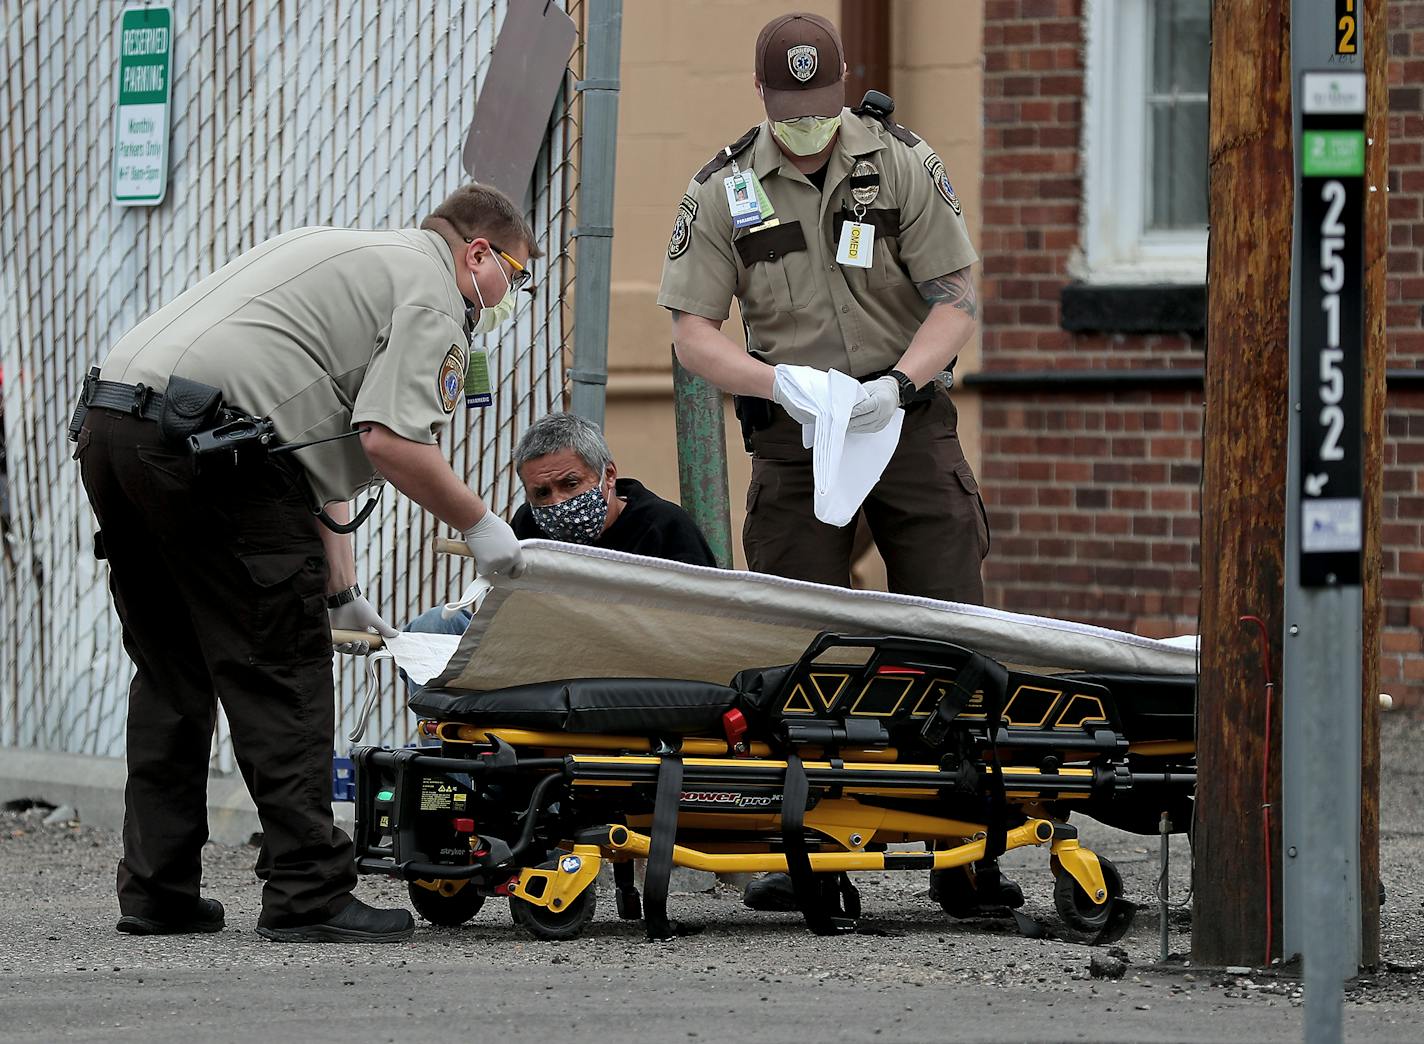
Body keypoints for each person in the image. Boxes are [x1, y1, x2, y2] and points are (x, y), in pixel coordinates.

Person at [72, 183, 537, 943]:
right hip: (210, 453)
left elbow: (305, 449)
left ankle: (156, 887)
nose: (509, 297)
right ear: (478, 253)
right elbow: (391, 441)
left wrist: (340, 588)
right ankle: (308, 891)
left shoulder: (348, 251)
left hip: (116, 430)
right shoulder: (433, 296)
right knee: (281, 670)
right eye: (514, 277)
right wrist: (484, 527)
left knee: (172, 672)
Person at [656, 11, 1010, 914]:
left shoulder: (899, 162)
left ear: (845, 82)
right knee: (792, 636)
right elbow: (694, 334)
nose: (806, 124)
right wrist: (777, 384)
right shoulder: (725, 186)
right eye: (790, 108)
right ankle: (804, 848)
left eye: (820, 105)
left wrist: (896, 382)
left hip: (908, 424)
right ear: (764, 97)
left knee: (951, 626)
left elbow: (954, 296)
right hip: (794, 433)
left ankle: (965, 853)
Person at [405, 411, 718, 639]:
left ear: (608, 475)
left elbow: (703, 629)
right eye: (541, 493)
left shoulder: (665, 527)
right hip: (541, 666)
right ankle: (445, 731)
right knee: (432, 628)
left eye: (570, 484)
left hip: (633, 672)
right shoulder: (527, 523)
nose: (556, 503)